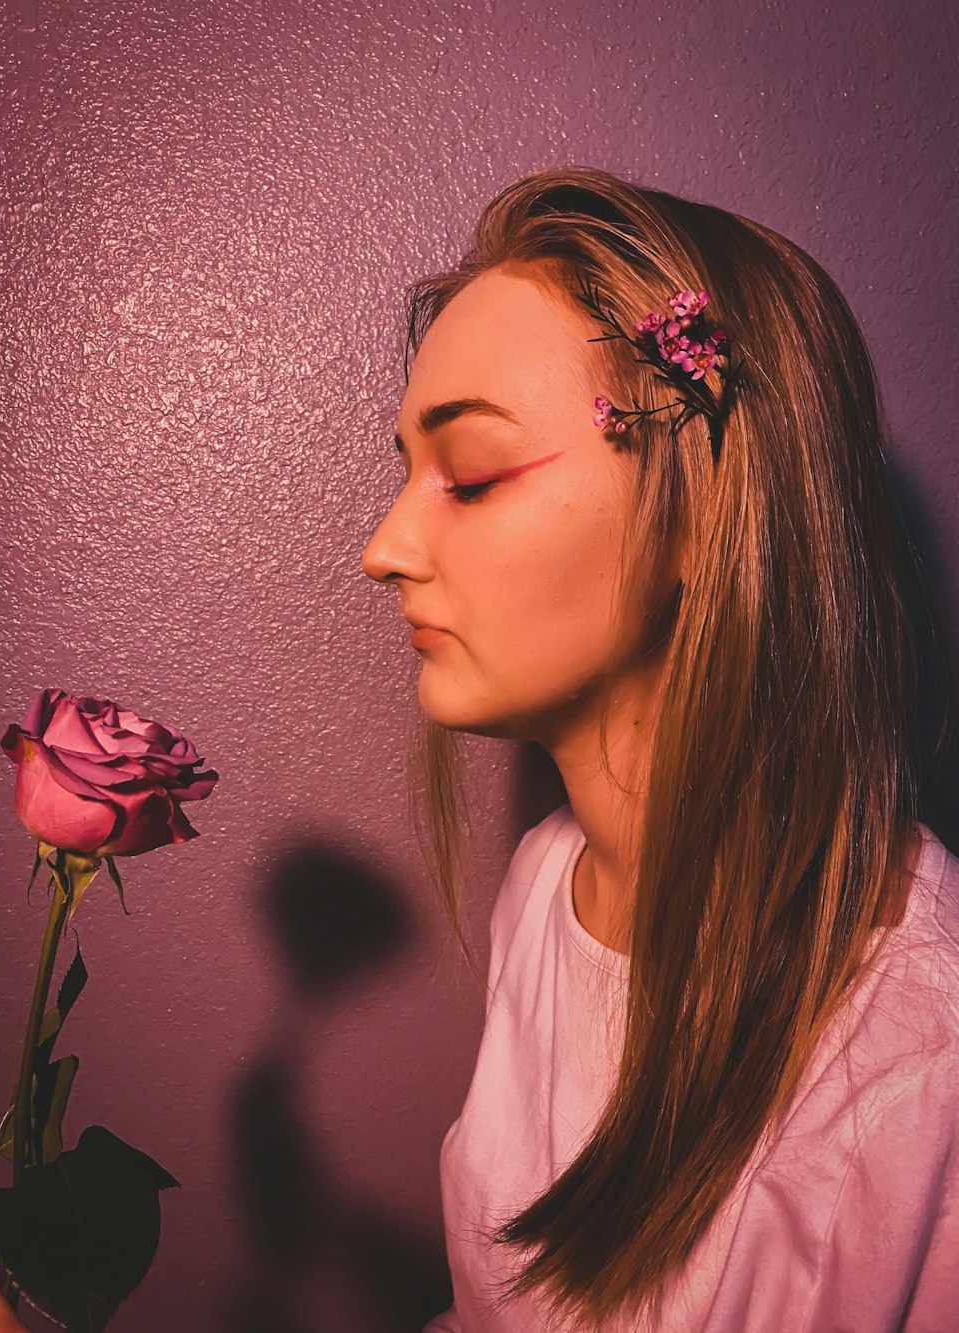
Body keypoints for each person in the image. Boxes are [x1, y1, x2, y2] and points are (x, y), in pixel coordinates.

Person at [360, 167, 959, 1330]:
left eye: (470, 476)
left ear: (707, 501)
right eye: (406, 472)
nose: (384, 547)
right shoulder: (544, 891)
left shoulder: (924, 1074)